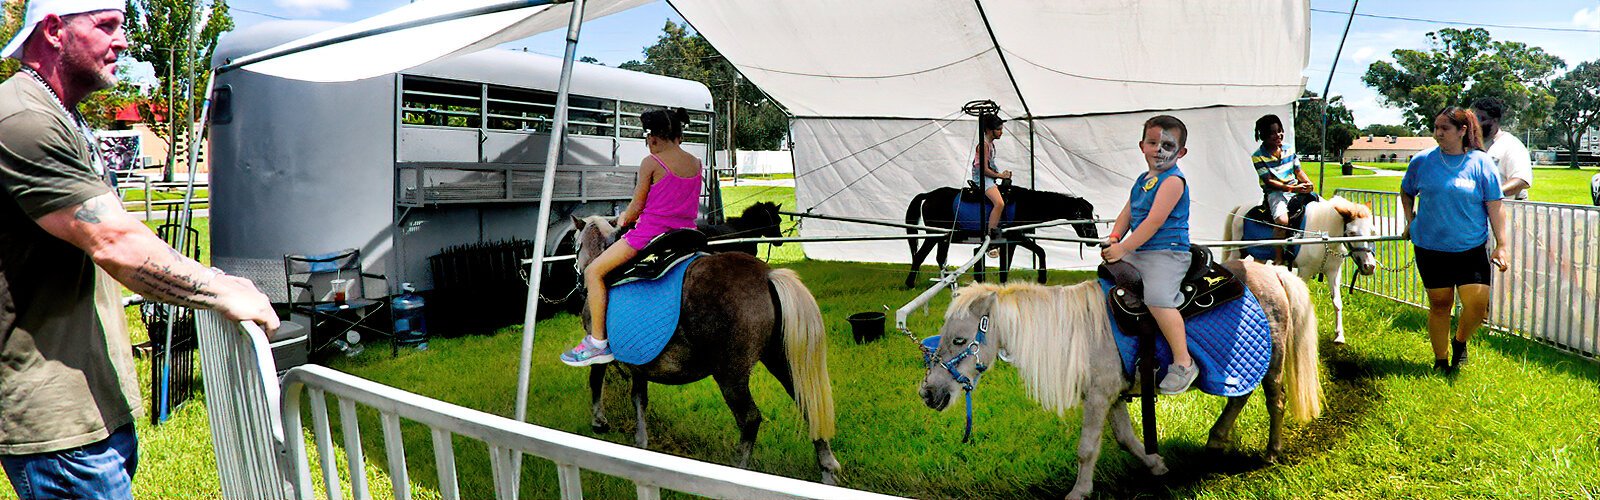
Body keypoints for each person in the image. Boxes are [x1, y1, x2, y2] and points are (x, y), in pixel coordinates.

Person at [0, 2, 279, 499]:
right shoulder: (22, 118)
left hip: (95, 399)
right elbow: (112, 241)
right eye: (106, 26)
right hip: (57, 421)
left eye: (123, 26)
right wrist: (218, 289)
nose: (123, 41)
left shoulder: (64, 115)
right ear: (54, 30)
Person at [561, 108, 701, 366]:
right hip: (686, 235)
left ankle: (598, 343)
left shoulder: (652, 162)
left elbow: (637, 206)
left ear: (653, 138)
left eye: (646, 139)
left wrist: (625, 218)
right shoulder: (695, 162)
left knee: (593, 272)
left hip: (650, 235)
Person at [1400, 107, 1509, 374]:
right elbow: (1406, 191)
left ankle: (1460, 341)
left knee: (1477, 306)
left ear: (1463, 131)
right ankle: (1440, 361)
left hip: (1470, 248)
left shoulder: (1481, 163)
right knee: (1440, 305)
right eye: (1435, 127)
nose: (1438, 133)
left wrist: (1502, 244)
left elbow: (1495, 205)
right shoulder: (1422, 161)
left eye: (1444, 128)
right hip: (1430, 247)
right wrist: (1410, 220)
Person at [1103, 115, 1196, 394]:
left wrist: (1123, 248)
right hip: (1140, 250)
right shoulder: (1143, 180)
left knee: (1157, 297)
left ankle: (1183, 361)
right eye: (1153, 142)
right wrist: (1114, 236)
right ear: (1142, 146)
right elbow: (1128, 212)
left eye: (1167, 145)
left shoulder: (1173, 182)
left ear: (1181, 152)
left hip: (1167, 253)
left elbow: (1153, 222)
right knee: (1107, 283)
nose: (1159, 149)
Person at [1250, 113, 1312, 264]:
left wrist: (1307, 182)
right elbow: (1269, 181)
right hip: (1276, 193)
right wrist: (1292, 188)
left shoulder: (1289, 149)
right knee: (1282, 221)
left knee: (1318, 207)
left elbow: (1298, 170)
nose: (1278, 135)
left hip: (1293, 188)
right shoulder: (1258, 156)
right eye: (1272, 133)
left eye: (1279, 131)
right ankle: (1278, 257)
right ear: (1263, 136)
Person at [1470, 98, 1533, 200]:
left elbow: (1521, 180)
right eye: (1473, 119)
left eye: (1480, 118)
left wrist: (1491, 194)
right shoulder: (1469, 145)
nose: (1475, 123)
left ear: (1494, 121)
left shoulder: (1512, 145)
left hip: (1505, 210)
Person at [973, 114, 1013, 239]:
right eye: (999, 129)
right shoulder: (984, 145)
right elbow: (984, 170)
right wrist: (1000, 176)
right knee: (999, 203)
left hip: (989, 178)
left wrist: (1002, 174)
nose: (1001, 132)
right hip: (983, 179)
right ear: (990, 130)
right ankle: (990, 235)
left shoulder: (991, 145)